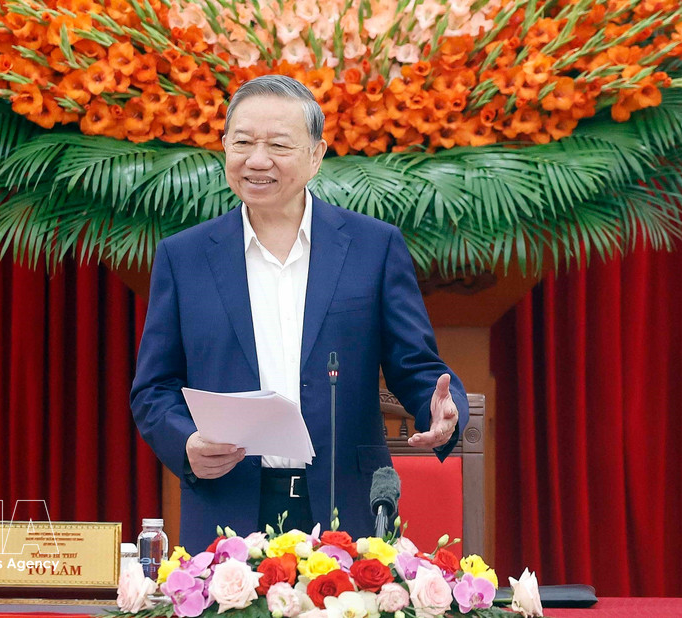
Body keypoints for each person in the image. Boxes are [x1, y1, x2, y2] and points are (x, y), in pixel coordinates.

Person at [131, 75, 469, 552]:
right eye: (242, 142)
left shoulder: (373, 247)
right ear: (224, 147)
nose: (257, 160)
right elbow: (153, 389)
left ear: (316, 155)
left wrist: (440, 407)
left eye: (278, 145)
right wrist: (185, 442)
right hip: (227, 507)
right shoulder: (183, 257)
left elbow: (414, 365)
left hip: (346, 509)